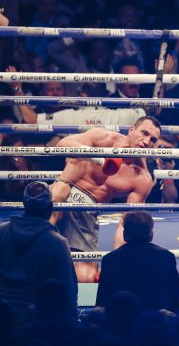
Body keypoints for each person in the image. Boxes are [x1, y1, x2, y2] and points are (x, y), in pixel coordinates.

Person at [50, 116, 161, 282]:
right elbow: (61, 145)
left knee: (86, 279)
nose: (146, 141)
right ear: (131, 130)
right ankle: (37, 245)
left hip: (86, 212)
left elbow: (125, 224)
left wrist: (116, 263)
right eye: (144, 133)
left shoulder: (142, 178)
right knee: (59, 193)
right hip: (62, 191)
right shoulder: (103, 137)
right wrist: (100, 158)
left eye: (152, 139)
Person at [0, 181, 77, 325]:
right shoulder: (57, 243)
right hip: (37, 322)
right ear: (50, 208)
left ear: (24, 204)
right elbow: (68, 291)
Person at [96, 211, 179, 313]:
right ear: (151, 235)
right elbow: (176, 300)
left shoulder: (109, 259)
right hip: (156, 324)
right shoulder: (166, 257)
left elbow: (101, 302)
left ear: (124, 235)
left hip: (121, 322)